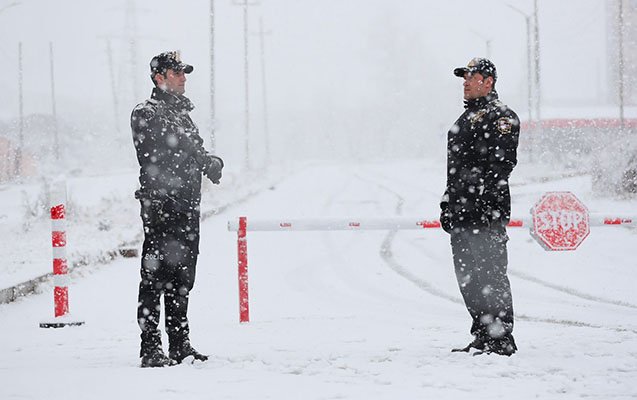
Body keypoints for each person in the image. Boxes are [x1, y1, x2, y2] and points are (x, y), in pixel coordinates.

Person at [131, 51, 224, 367]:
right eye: (177, 73)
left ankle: (180, 344)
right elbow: (164, 146)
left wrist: (212, 161)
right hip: (160, 210)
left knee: (183, 279)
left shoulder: (183, 116)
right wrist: (199, 156)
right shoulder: (147, 112)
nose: (184, 78)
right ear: (160, 77)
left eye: (184, 73)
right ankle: (150, 348)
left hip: (186, 210)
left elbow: (194, 147)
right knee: (154, 278)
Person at [439, 58, 520, 356]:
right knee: (470, 280)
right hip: (462, 215)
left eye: (470, 77)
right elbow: (456, 170)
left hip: (485, 215)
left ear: (488, 81)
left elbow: (500, 166)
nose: (465, 82)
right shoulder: (465, 119)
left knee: (491, 278)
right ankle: (483, 334)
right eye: (463, 78)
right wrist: (448, 203)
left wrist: (480, 203)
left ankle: (500, 338)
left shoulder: (501, 117)